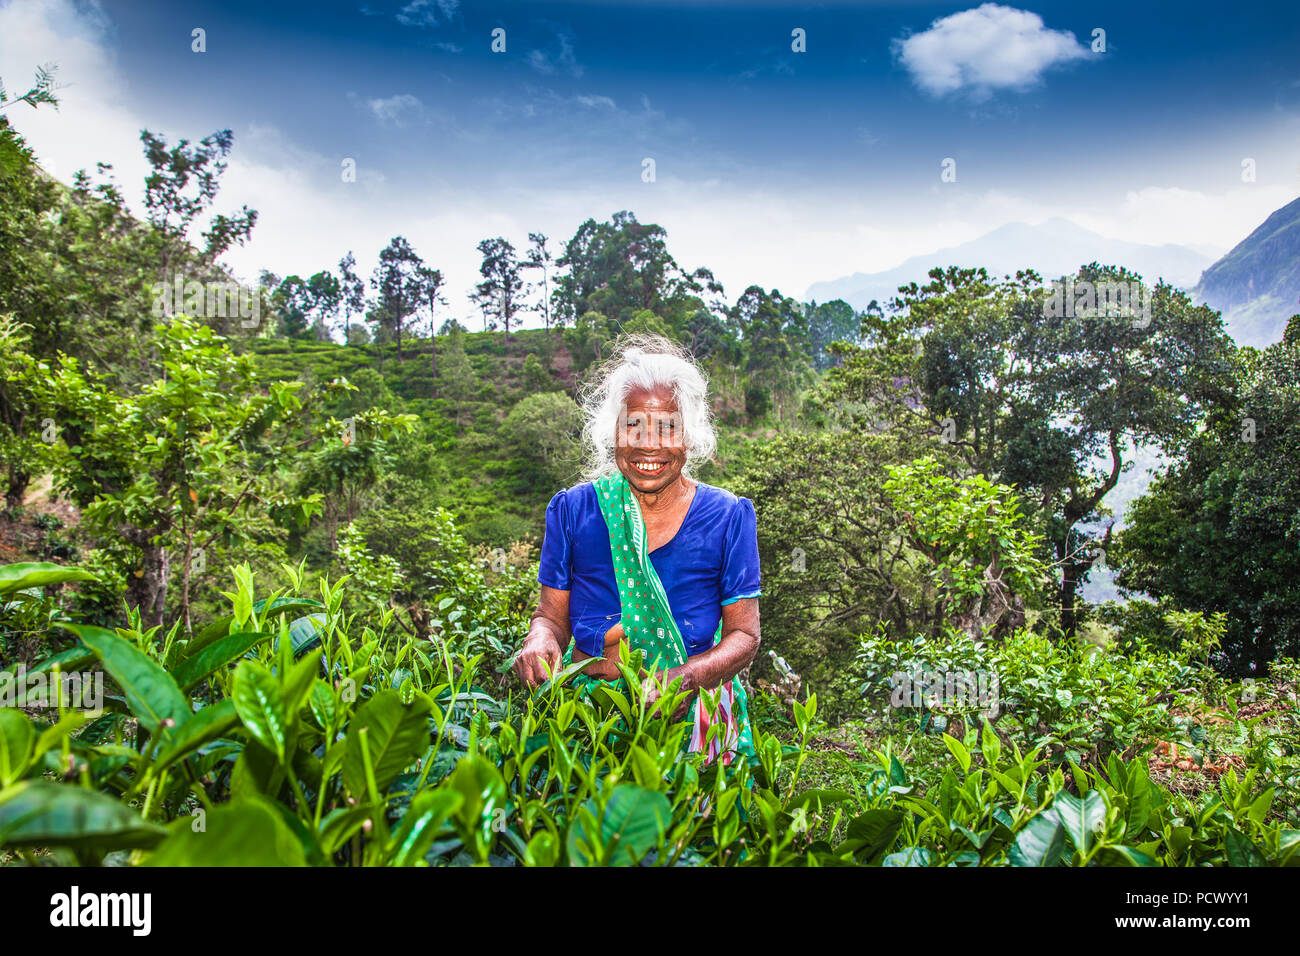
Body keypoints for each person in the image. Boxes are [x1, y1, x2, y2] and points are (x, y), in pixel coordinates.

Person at [512, 334, 762, 764]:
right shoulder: (573, 510)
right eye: (633, 425)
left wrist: (686, 679)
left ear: (690, 435)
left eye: (667, 426)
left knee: (695, 832)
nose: (649, 444)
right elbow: (551, 618)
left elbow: (745, 635)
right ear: (612, 431)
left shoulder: (728, 517)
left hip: (694, 716)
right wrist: (539, 639)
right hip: (590, 719)